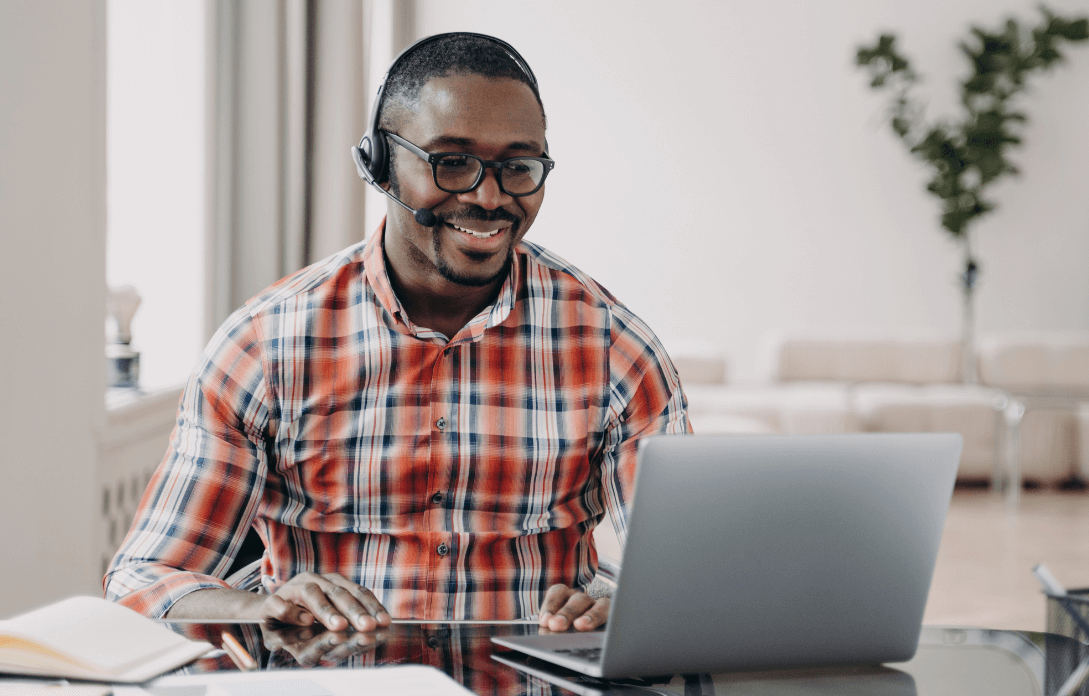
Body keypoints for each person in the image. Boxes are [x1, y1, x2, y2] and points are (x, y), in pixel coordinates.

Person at [104, 33, 689, 635]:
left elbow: (688, 587)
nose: (488, 197)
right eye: (451, 162)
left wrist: (632, 608)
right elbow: (143, 582)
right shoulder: (264, 348)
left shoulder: (615, 349)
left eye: (518, 167)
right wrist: (253, 607)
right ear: (379, 164)